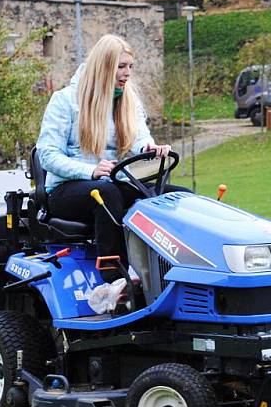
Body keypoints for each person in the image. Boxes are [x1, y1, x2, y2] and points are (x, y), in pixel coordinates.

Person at [36, 34, 186, 281]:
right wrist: (90, 171)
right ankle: (115, 279)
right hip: (65, 190)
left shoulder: (128, 100)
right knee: (107, 195)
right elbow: (48, 155)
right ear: (104, 68)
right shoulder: (64, 101)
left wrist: (150, 148)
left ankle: (172, 272)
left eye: (130, 67)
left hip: (109, 183)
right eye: (121, 67)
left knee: (175, 197)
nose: (127, 73)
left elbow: (139, 137)